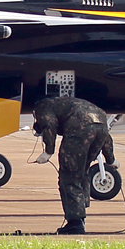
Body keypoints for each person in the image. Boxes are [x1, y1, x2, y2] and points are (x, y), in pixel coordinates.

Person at [31, 95, 118, 235]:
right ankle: (81, 215)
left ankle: (75, 222)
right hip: (100, 123)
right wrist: (110, 159)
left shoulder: (42, 106)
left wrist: (48, 152)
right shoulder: (73, 103)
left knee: (69, 176)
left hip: (79, 129)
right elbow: (106, 135)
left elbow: (49, 124)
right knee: (82, 173)